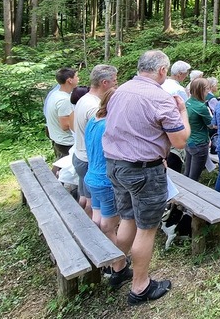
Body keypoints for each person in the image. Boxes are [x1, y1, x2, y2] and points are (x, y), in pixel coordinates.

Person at [103, 50, 190, 305]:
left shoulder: (121, 90)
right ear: (163, 70)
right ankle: (140, 287)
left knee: (128, 218)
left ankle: (118, 269)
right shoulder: (160, 98)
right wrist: (182, 111)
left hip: (115, 166)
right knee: (147, 228)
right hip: (144, 171)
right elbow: (180, 141)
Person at [83, 87, 131, 289]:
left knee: (98, 220)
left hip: (91, 176)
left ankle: (106, 259)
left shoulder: (93, 121)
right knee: (109, 226)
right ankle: (117, 267)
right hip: (105, 180)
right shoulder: (109, 125)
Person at [71, 65, 118, 216]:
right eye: (115, 81)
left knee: (84, 198)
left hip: (80, 156)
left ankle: (79, 222)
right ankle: (88, 233)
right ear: (105, 83)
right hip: (89, 161)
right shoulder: (95, 107)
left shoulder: (84, 99)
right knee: (93, 206)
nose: (116, 85)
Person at [45, 67, 79, 159]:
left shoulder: (55, 94)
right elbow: (65, 126)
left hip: (58, 139)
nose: (78, 79)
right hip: (67, 143)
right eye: (77, 77)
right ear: (70, 80)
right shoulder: (64, 100)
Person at [184, 78, 214, 182]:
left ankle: (184, 194)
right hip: (200, 143)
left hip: (189, 142)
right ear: (200, 90)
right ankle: (189, 197)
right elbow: (211, 125)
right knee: (194, 178)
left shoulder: (187, 102)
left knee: (187, 173)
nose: (208, 92)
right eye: (207, 89)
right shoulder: (201, 107)